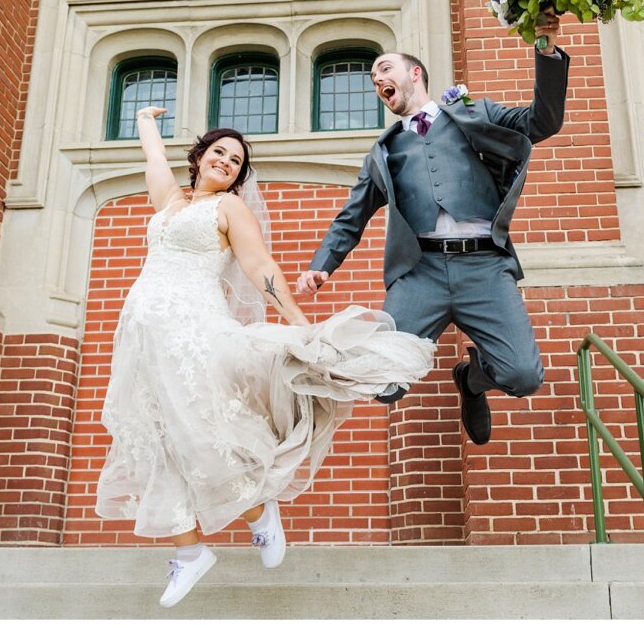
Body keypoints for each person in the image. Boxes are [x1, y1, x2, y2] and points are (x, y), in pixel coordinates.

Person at [95, 107, 434, 608]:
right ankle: (189, 554)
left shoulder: (229, 210)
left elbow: (259, 266)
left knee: (207, 428)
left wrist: (296, 318)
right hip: (147, 341)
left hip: (195, 332)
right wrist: (145, 117)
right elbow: (152, 156)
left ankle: (259, 512)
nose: (227, 163)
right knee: (155, 441)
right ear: (200, 157)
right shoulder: (170, 200)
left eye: (237, 161)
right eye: (219, 153)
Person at [296, 10, 568, 446]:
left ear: (415, 73)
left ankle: (472, 379)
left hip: (484, 267)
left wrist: (546, 48)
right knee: (385, 385)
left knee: (522, 375)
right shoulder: (383, 151)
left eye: (383, 68)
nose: (376, 80)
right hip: (420, 272)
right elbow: (352, 215)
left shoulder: (475, 113)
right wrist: (321, 265)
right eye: (372, 79)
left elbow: (543, 122)